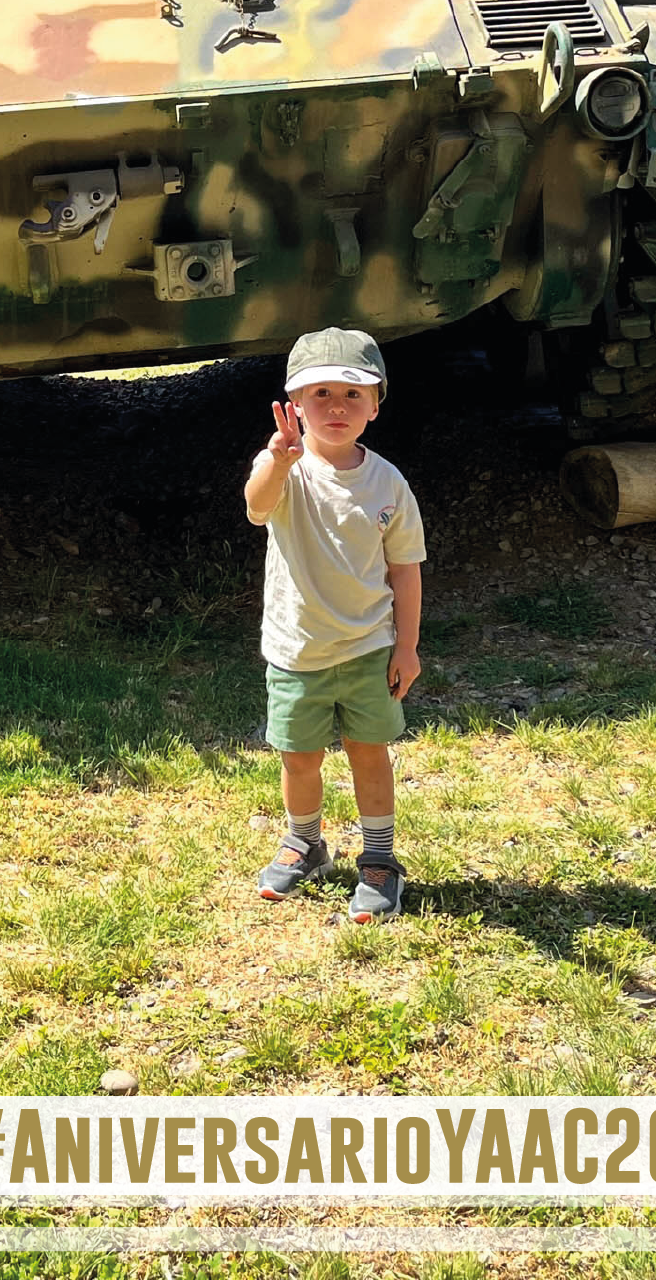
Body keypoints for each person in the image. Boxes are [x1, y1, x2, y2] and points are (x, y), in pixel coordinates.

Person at [244, 327, 425, 923]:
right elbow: (256, 507)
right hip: (297, 650)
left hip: (369, 647)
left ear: (375, 406)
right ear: (295, 405)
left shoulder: (388, 482)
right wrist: (278, 461)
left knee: (369, 754)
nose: (336, 407)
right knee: (299, 758)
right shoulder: (284, 467)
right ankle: (305, 843)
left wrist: (407, 646)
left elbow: (405, 568)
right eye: (320, 393)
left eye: (352, 394)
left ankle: (379, 858)